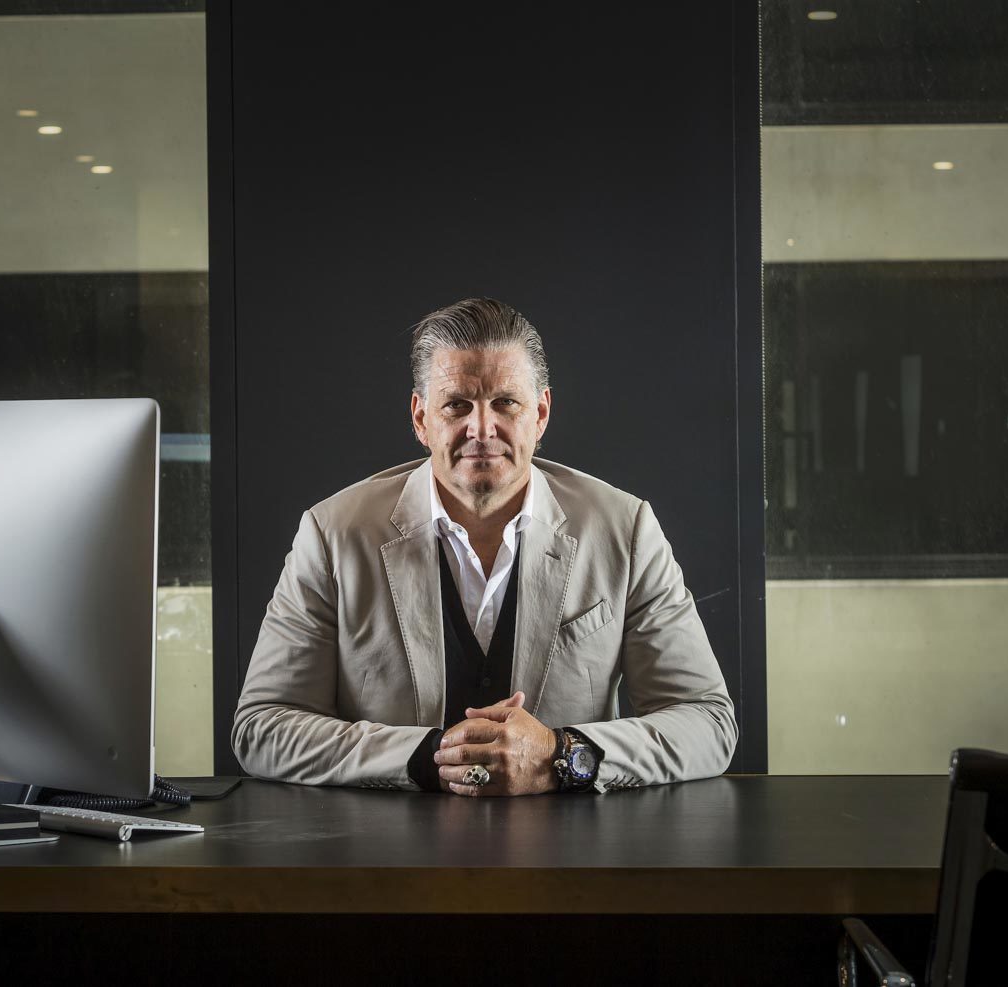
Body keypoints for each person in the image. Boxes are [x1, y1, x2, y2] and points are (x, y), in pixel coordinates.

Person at [232, 298, 737, 795]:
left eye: (505, 403)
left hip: (575, 862)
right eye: (456, 405)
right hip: (382, 859)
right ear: (420, 417)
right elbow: (261, 728)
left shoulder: (625, 529)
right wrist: (424, 758)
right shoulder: (331, 533)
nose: (481, 429)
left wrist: (562, 755)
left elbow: (708, 722)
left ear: (540, 414)